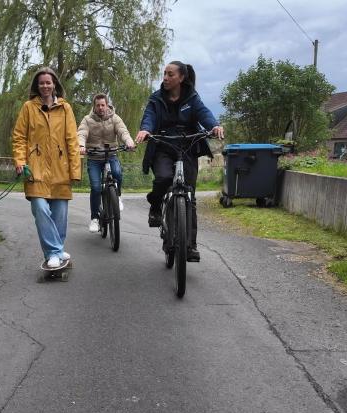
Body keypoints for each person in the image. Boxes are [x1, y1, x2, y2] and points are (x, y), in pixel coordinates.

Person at [134, 61, 225, 262]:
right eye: (164, 74)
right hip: (163, 146)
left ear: (181, 78)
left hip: (188, 147)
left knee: (189, 196)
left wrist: (215, 126)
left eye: (170, 74)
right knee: (164, 178)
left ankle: (190, 246)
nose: (165, 78)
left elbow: (204, 114)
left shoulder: (192, 98)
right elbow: (149, 116)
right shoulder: (156, 98)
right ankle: (156, 205)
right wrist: (145, 129)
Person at [12, 67, 81, 268]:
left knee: (60, 214)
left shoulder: (65, 108)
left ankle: (57, 249)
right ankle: (54, 251)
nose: (45, 86)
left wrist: (75, 170)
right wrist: (19, 160)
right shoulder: (28, 107)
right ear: (37, 85)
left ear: (54, 85)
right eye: (41, 83)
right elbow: (19, 137)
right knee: (40, 209)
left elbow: (72, 140)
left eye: (48, 82)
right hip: (35, 169)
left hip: (61, 169)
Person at [77, 93, 135, 233]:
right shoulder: (87, 119)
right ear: (94, 106)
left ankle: (118, 197)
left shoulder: (115, 118)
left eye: (103, 105)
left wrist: (128, 142)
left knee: (117, 173)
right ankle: (94, 219)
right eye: (98, 105)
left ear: (107, 105)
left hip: (111, 155)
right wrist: (81, 145)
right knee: (96, 188)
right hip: (94, 157)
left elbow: (122, 131)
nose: (101, 108)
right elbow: (82, 133)